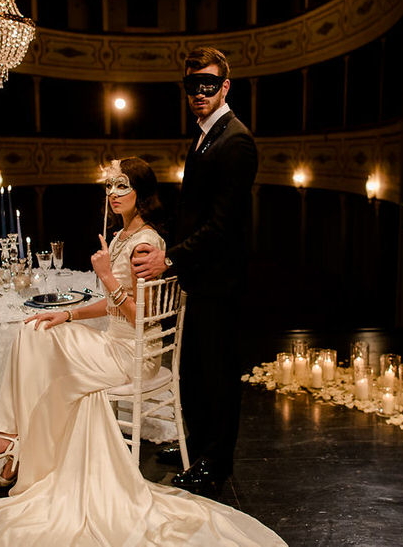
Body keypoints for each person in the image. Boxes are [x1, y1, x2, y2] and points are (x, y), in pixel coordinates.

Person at [0, 157, 284, 546]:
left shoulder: (144, 244)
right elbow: (112, 305)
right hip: (114, 343)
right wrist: (67, 314)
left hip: (133, 354)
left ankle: (11, 448)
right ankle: (9, 441)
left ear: (142, 193)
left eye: (123, 186)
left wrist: (104, 275)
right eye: (109, 186)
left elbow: (143, 318)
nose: (113, 194)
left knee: (39, 348)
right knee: (33, 329)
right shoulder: (121, 237)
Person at [132, 47, 258, 495]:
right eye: (192, 86)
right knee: (194, 368)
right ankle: (198, 444)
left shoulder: (235, 140)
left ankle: (216, 462)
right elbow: (193, 211)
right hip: (198, 275)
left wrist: (170, 258)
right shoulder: (205, 133)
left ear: (225, 86)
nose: (200, 93)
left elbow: (222, 226)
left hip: (220, 280)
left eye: (209, 84)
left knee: (219, 372)